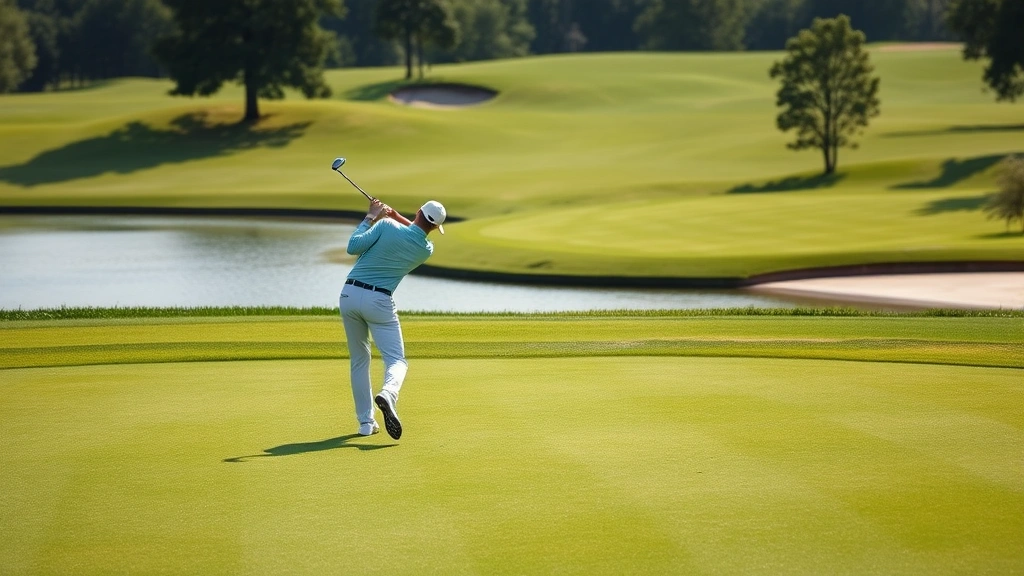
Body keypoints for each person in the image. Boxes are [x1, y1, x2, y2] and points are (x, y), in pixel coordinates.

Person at [339, 198, 446, 440]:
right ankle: (388, 393)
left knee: (359, 360)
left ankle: (366, 424)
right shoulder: (425, 250)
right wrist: (395, 217)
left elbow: (353, 246)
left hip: (349, 294)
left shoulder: (385, 225)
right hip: (379, 302)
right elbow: (415, 233)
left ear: (418, 211)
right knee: (397, 360)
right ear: (435, 228)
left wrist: (371, 216)